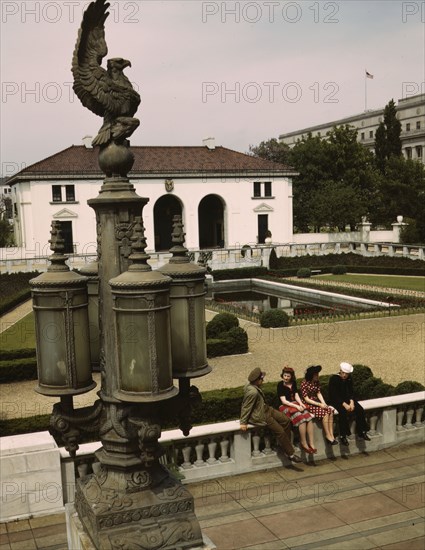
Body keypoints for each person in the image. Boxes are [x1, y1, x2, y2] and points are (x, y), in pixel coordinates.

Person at [240, 367, 302, 463]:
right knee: (280, 432)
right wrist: (243, 422)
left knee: (286, 420)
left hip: (267, 409)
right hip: (262, 415)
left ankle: (285, 445)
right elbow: (246, 407)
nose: (263, 380)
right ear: (257, 380)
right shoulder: (253, 392)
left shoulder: (253, 386)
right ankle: (290, 454)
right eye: (261, 379)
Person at [328, 362, 371, 446]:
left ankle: (362, 431)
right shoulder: (334, 379)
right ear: (340, 371)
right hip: (336, 401)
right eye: (343, 373)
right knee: (343, 412)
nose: (344, 375)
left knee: (360, 409)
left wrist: (351, 402)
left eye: (346, 374)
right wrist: (344, 404)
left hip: (347, 399)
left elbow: (351, 391)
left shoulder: (349, 379)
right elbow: (334, 395)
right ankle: (343, 435)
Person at [277, 366, 317, 454]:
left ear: (291, 376)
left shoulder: (293, 383)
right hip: (285, 406)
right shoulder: (280, 385)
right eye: (285, 376)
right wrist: (296, 407)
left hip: (295, 403)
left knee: (308, 417)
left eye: (288, 376)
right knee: (301, 419)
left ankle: (311, 443)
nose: (286, 378)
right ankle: (304, 443)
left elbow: (296, 395)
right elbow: (284, 401)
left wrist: (301, 404)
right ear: (282, 376)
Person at [300, 365, 338, 445]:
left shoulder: (316, 382)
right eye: (316, 375)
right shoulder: (304, 383)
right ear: (311, 375)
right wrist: (319, 404)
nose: (318, 376)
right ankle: (327, 435)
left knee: (330, 411)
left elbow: (318, 393)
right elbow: (306, 399)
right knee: (324, 414)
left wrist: (324, 403)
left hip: (317, 402)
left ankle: (331, 434)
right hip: (309, 404)